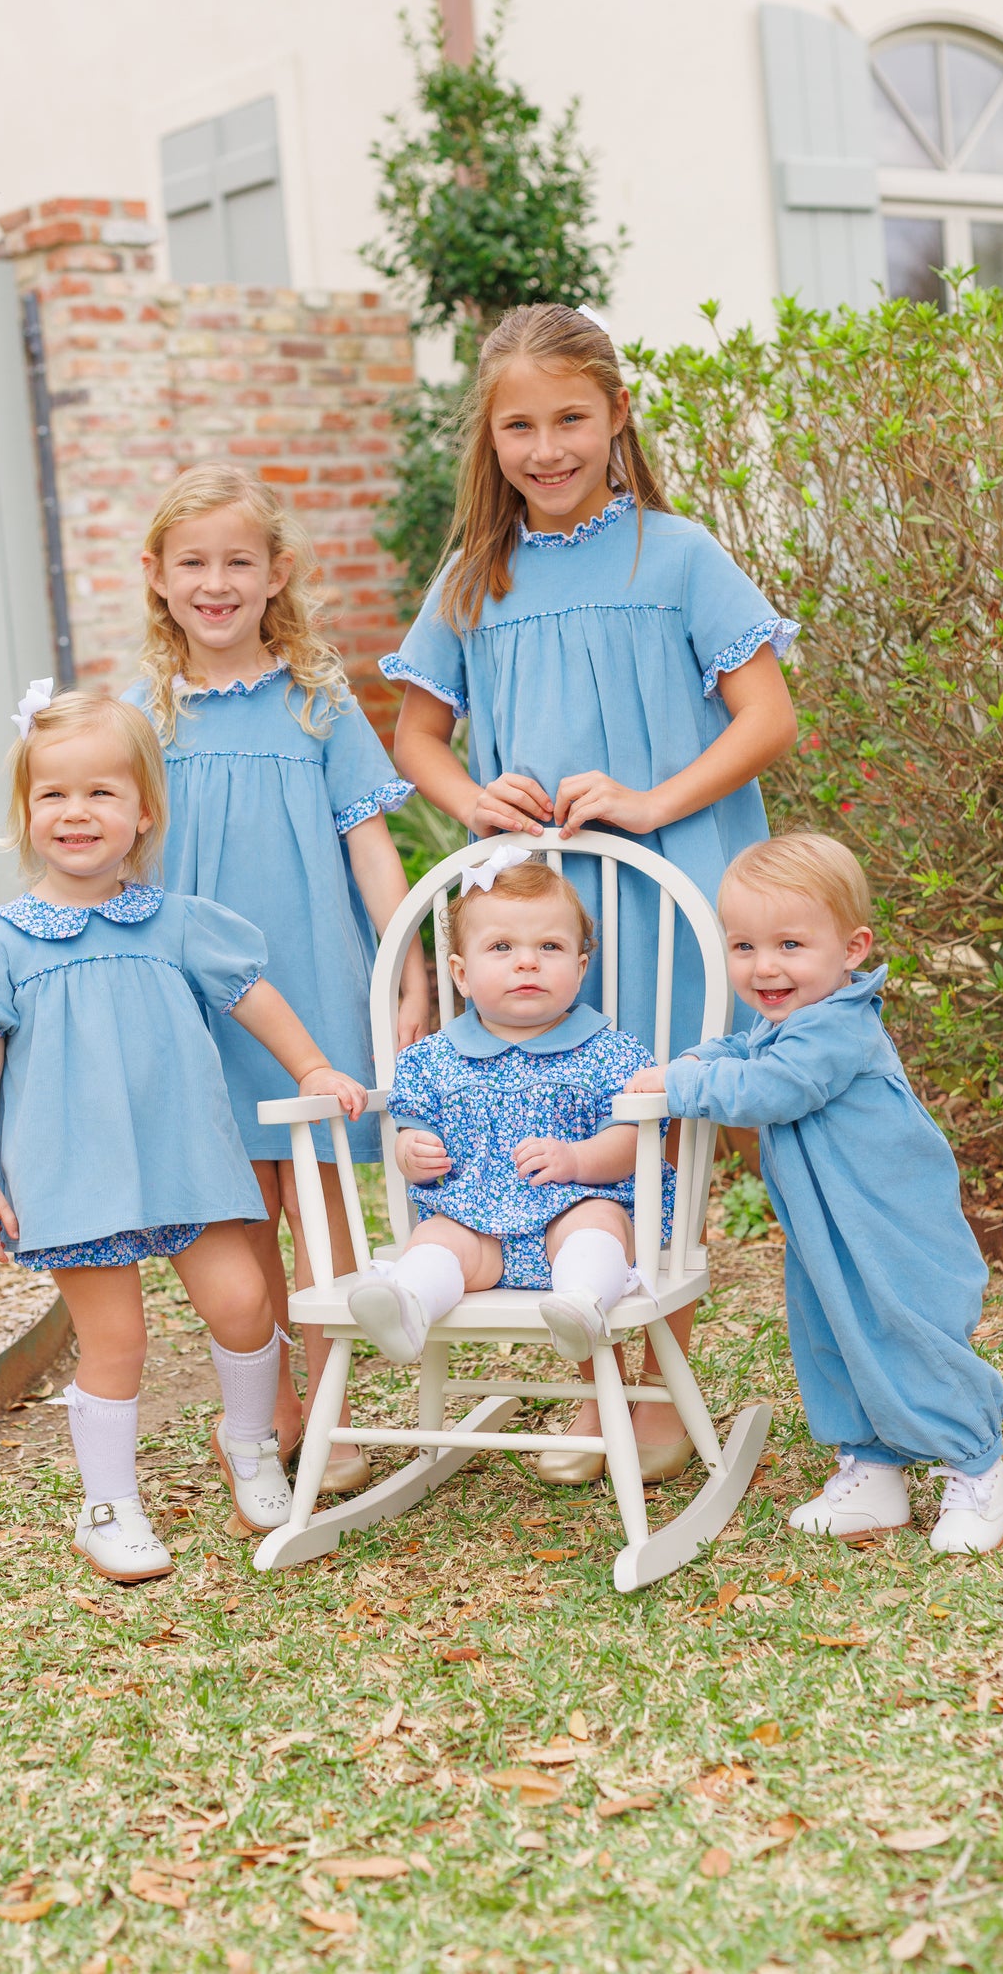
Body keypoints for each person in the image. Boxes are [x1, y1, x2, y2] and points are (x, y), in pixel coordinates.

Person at [381, 303, 798, 1485]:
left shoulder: (679, 555)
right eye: (518, 426)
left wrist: (655, 801)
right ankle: (595, 1372)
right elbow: (416, 736)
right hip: (543, 916)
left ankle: (647, 1392)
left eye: (569, 418)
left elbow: (767, 716)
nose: (545, 447)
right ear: (489, 436)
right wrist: (473, 800)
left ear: (616, 414)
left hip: (672, 890)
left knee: (655, 1131)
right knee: (567, 1135)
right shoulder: (474, 575)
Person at [0, 686, 366, 1583]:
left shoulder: (175, 922)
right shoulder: (3, 947)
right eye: (53, 794)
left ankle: (250, 1443)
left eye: (101, 792)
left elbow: (253, 994)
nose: (76, 812)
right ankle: (108, 1508)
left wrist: (313, 1066)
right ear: (25, 813)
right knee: (117, 1341)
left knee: (244, 1303)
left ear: (144, 812)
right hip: (75, 1176)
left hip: (184, 1161)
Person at [123, 464, 427, 1499]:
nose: (215, 583)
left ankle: (332, 1408)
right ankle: (271, 1409)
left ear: (276, 573)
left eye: (237, 562)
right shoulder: (143, 717)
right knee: (239, 1210)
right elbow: (113, 860)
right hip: (200, 1007)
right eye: (193, 563)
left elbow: (372, 849)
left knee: (323, 1214)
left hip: (314, 987)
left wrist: (407, 965)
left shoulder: (318, 704)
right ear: (156, 574)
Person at [626, 832, 1003, 1554]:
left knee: (908, 1333)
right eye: (743, 946)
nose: (764, 966)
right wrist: (701, 1055)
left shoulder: (837, 1027)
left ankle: (976, 1468)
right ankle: (871, 1469)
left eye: (789, 944)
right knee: (831, 1335)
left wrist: (682, 1082)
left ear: (851, 949)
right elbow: (745, 1052)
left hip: (890, 1224)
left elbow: (773, 1087)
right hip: (827, 1227)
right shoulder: (786, 1021)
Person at [349, 851, 667, 1369]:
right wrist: (413, 1154)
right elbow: (410, 1134)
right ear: (461, 974)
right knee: (435, 1238)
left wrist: (576, 1159)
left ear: (580, 969)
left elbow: (632, 1142)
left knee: (598, 1223)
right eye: (502, 947)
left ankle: (582, 1301)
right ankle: (408, 1304)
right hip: (475, 1226)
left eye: (550, 946)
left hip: (575, 1207)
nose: (527, 962)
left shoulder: (610, 1051)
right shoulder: (432, 1059)